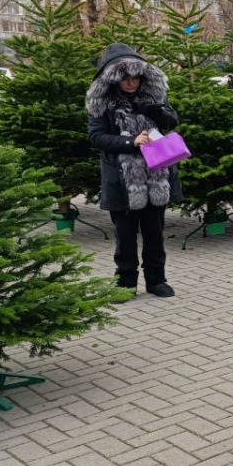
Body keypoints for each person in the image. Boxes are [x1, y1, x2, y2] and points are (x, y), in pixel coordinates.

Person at [86, 44, 181, 297]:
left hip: (156, 175)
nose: (132, 83)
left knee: (154, 233)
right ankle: (125, 283)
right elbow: (96, 137)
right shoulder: (102, 104)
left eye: (136, 77)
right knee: (125, 236)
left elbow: (172, 123)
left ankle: (156, 280)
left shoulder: (152, 96)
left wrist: (155, 110)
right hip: (121, 180)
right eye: (126, 78)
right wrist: (131, 142)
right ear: (115, 79)